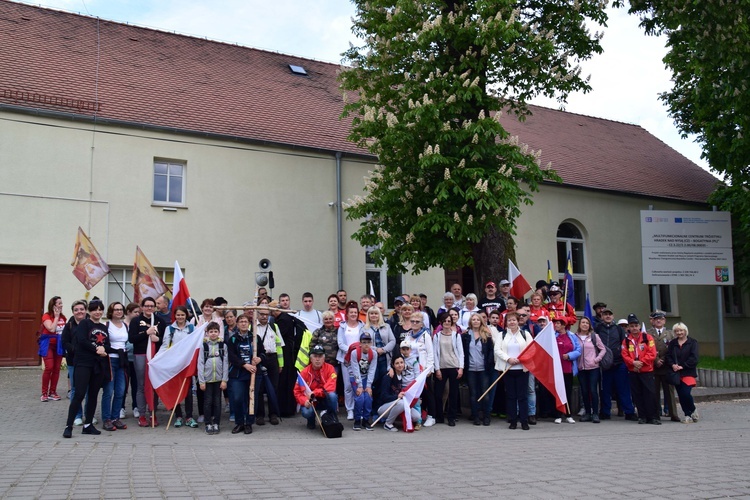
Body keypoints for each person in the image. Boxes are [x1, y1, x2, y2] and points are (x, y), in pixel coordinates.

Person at [63, 300, 110, 438]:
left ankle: (88, 425)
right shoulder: (84, 323)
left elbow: (107, 344)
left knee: (94, 395)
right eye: (95, 309)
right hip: (83, 364)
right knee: (79, 394)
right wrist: (97, 349)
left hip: (98, 365)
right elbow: (82, 340)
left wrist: (106, 349)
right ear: (90, 311)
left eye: (100, 309)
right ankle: (68, 426)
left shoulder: (104, 327)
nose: (98, 312)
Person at [127, 297, 166, 427]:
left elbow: (165, 340)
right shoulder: (136, 321)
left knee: (154, 385)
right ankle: (142, 414)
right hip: (141, 355)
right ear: (142, 307)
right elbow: (132, 339)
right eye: (147, 306)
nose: (149, 308)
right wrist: (146, 333)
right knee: (141, 385)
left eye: (152, 306)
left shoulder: (160, 321)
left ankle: (152, 413)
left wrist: (157, 339)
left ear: (155, 307)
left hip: (156, 356)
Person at [494, 312, 533, 430]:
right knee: (511, 396)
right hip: (508, 369)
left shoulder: (525, 334)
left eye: (514, 320)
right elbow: (497, 350)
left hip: (522, 369)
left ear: (518, 321)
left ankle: (524, 421)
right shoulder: (502, 335)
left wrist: (522, 359)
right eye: (509, 320)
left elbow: (531, 349)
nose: (512, 322)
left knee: (522, 396)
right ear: (506, 322)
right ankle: (513, 420)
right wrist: (508, 359)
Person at [596, 307, 636, 421]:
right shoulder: (598, 328)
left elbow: (625, 345)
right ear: (602, 316)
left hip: (619, 363)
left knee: (624, 389)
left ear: (613, 316)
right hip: (604, 365)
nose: (608, 316)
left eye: (610, 314)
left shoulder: (619, 329)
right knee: (605, 390)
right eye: (605, 314)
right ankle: (605, 412)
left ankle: (629, 412)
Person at [227, 314, 266, 435]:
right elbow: (232, 356)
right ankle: (239, 423)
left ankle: (249, 423)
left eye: (245, 321)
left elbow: (263, 353)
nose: (243, 323)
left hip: (254, 373)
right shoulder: (233, 339)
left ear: (249, 324)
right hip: (238, 374)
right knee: (238, 398)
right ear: (237, 324)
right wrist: (244, 364)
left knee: (252, 399)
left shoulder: (255, 338)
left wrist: (260, 359)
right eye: (241, 322)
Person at [163, 306, 199, 429]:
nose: (180, 317)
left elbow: (196, 344)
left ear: (186, 315)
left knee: (188, 392)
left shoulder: (192, 328)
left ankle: (189, 417)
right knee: (176, 391)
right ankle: (178, 416)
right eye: (178, 315)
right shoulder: (170, 329)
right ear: (175, 316)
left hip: (187, 365)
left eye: (182, 315)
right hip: (174, 364)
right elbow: (165, 345)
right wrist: (158, 359)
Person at [621, 313, 660, 424]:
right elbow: (624, 354)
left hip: (646, 371)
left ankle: (653, 417)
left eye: (636, 325)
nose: (634, 328)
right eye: (631, 326)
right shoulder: (626, 340)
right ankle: (642, 416)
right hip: (633, 371)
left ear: (639, 326)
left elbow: (652, 353)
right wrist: (633, 363)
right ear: (628, 327)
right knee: (637, 394)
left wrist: (641, 363)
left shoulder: (648, 338)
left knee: (650, 394)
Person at [295, 344, 339, 429]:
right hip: (311, 400)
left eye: (320, 356)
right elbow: (297, 391)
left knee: (333, 396)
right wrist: (304, 401)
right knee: (307, 412)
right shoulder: (304, 372)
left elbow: (331, 386)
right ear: (311, 359)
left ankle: (330, 418)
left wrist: (315, 392)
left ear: (324, 358)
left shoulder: (330, 369)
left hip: (324, 397)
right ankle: (311, 420)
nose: (317, 359)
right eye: (315, 356)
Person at [464, 313, 495, 426]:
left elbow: (491, 351)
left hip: (484, 369)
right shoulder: (466, 335)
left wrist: (489, 363)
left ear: (481, 321)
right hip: (471, 369)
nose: (476, 321)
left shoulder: (486, 335)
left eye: (478, 319)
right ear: (470, 322)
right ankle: (475, 416)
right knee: (473, 394)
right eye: (473, 319)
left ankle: (486, 416)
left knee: (485, 394)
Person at [101, 302, 129, 431]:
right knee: (109, 391)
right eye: (115, 309)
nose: (118, 312)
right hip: (110, 360)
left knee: (120, 391)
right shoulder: (106, 325)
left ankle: (115, 417)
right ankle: (106, 419)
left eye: (120, 309)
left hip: (122, 361)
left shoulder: (125, 326)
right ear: (111, 312)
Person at [433, 313, 464, 426]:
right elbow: (435, 353)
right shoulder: (437, 336)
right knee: (438, 393)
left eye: (449, 321)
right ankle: (439, 416)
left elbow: (461, 353)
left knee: (453, 393)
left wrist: (460, 368)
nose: (447, 323)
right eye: (445, 321)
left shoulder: (456, 336)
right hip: (441, 367)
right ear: (441, 322)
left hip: (453, 367)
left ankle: (452, 417)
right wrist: (437, 369)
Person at [405, 314, 436, 427]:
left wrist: (429, 369)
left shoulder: (425, 336)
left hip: (423, 369)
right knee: (415, 393)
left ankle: (431, 416)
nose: (414, 323)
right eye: (412, 321)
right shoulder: (408, 335)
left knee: (427, 393)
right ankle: (418, 415)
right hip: (411, 369)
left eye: (417, 321)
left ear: (422, 323)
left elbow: (430, 353)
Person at [376, 356, 421, 432]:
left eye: (401, 362)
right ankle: (388, 423)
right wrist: (397, 396)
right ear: (393, 365)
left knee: (417, 416)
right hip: (384, 408)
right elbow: (383, 396)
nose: (400, 365)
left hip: (398, 404)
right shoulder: (388, 377)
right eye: (397, 363)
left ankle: (395, 420)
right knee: (401, 403)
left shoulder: (403, 375)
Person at [198, 321, 229, 435]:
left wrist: (224, 379)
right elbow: (200, 364)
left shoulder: (223, 346)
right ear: (207, 333)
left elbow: (226, 363)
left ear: (219, 332)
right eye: (211, 331)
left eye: (215, 331)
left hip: (219, 379)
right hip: (207, 379)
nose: (213, 334)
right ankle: (208, 423)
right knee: (207, 402)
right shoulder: (204, 346)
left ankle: (216, 423)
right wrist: (202, 381)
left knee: (217, 402)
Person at [362, 306, 396, 408]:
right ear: (368, 315)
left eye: (376, 313)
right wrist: (375, 349)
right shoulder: (364, 328)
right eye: (371, 313)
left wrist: (384, 349)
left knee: (383, 384)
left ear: (379, 315)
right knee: (373, 383)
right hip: (372, 359)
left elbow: (392, 341)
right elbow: (363, 343)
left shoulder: (386, 327)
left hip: (385, 359)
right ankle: (373, 409)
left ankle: (382, 408)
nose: (374, 315)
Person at [666, 322, 700, 423]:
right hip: (676, 373)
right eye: (677, 331)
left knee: (686, 393)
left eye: (681, 330)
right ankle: (687, 415)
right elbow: (668, 356)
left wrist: (683, 366)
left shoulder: (692, 342)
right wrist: (672, 365)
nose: (679, 332)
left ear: (685, 331)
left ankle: (693, 409)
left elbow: (694, 358)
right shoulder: (672, 343)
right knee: (681, 395)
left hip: (688, 372)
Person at [648, 310, 678, 422]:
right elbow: (647, 348)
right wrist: (656, 360)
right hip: (653, 366)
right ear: (653, 321)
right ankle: (656, 413)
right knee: (654, 391)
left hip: (667, 366)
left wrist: (664, 359)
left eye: (660, 319)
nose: (658, 321)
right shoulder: (648, 333)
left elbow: (672, 349)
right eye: (656, 319)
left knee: (669, 392)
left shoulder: (670, 334)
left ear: (664, 320)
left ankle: (673, 413)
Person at [61, 300, 88, 424]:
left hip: (88, 361)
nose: (79, 312)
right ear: (73, 312)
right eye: (76, 310)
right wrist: (74, 350)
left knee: (88, 389)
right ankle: (77, 415)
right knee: (75, 388)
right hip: (73, 361)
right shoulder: (69, 325)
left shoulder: (90, 324)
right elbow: (64, 342)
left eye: (82, 309)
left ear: (86, 310)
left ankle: (89, 414)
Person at [254, 308, 282, 426]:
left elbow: (279, 345)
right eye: (262, 314)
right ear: (258, 315)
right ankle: (260, 415)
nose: (264, 317)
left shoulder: (274, 327)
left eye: (266, 314)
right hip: (259, 359)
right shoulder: (253, 327)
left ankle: (273, 414)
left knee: (273, 388)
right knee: (259, 388)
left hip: (272, 359)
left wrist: (281, 363)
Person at [337, 301, 365, 420]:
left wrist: (357, 351)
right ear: (347, 314)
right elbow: (340, 343)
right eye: (351, 312)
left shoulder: (362, 326)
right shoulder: (342, 326)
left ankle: (360, 409)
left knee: (359, 384)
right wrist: (351, 350)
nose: (353, 314)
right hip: (346, 359)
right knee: (348, 385)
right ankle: (350, 409)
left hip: (360, 359)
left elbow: (365, 342)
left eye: (355, 312)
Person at [575, 317, 606, 423]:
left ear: (589, 325)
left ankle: (595, 413)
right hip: (581, 368)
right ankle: (587, 413)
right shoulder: (575, 337)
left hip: (593, 367)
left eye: (587, 323)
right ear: (579, 324)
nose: (584, 325)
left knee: (593, 390)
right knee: (584, 391)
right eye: (582, 322)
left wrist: (597, 359)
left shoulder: (594, 336)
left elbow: (603, 349)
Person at [552, 317, 582, 424]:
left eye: (558, 324)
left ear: (564, 325)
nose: (556, 325)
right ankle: (558, 414)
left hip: (568, 368)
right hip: (556, 369)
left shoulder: (572, 336)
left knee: (567, 391)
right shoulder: (553, 336)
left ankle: (568, 414)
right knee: (558, 392)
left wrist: (569, 355)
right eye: (555, 324)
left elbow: (578, 350)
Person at [347, 332, 378, 430]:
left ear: (371, 343)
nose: (366, 345)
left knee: (368, 397)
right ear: (360, 343)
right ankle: (357, 420)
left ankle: (365, 420)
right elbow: (355, 369)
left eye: (368, 342)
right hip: (355, 377)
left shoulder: (374, 354)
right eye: (364, 342)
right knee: (360, 398)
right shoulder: (355, 353)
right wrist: (360, 385)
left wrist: (368, 385)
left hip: (366, 377)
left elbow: (372, 370)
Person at [40, 296, 66, 402]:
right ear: (53, 305)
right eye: (59, 303)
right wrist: (56, 317)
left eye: (61, 303)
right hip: (48, 344)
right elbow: (51, 328)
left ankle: (53, 392)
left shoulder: (63, 317)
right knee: (49, 367)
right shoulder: (46, 316)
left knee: (56, 369)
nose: (61, 305)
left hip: (59, 344)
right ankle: (44, 393)